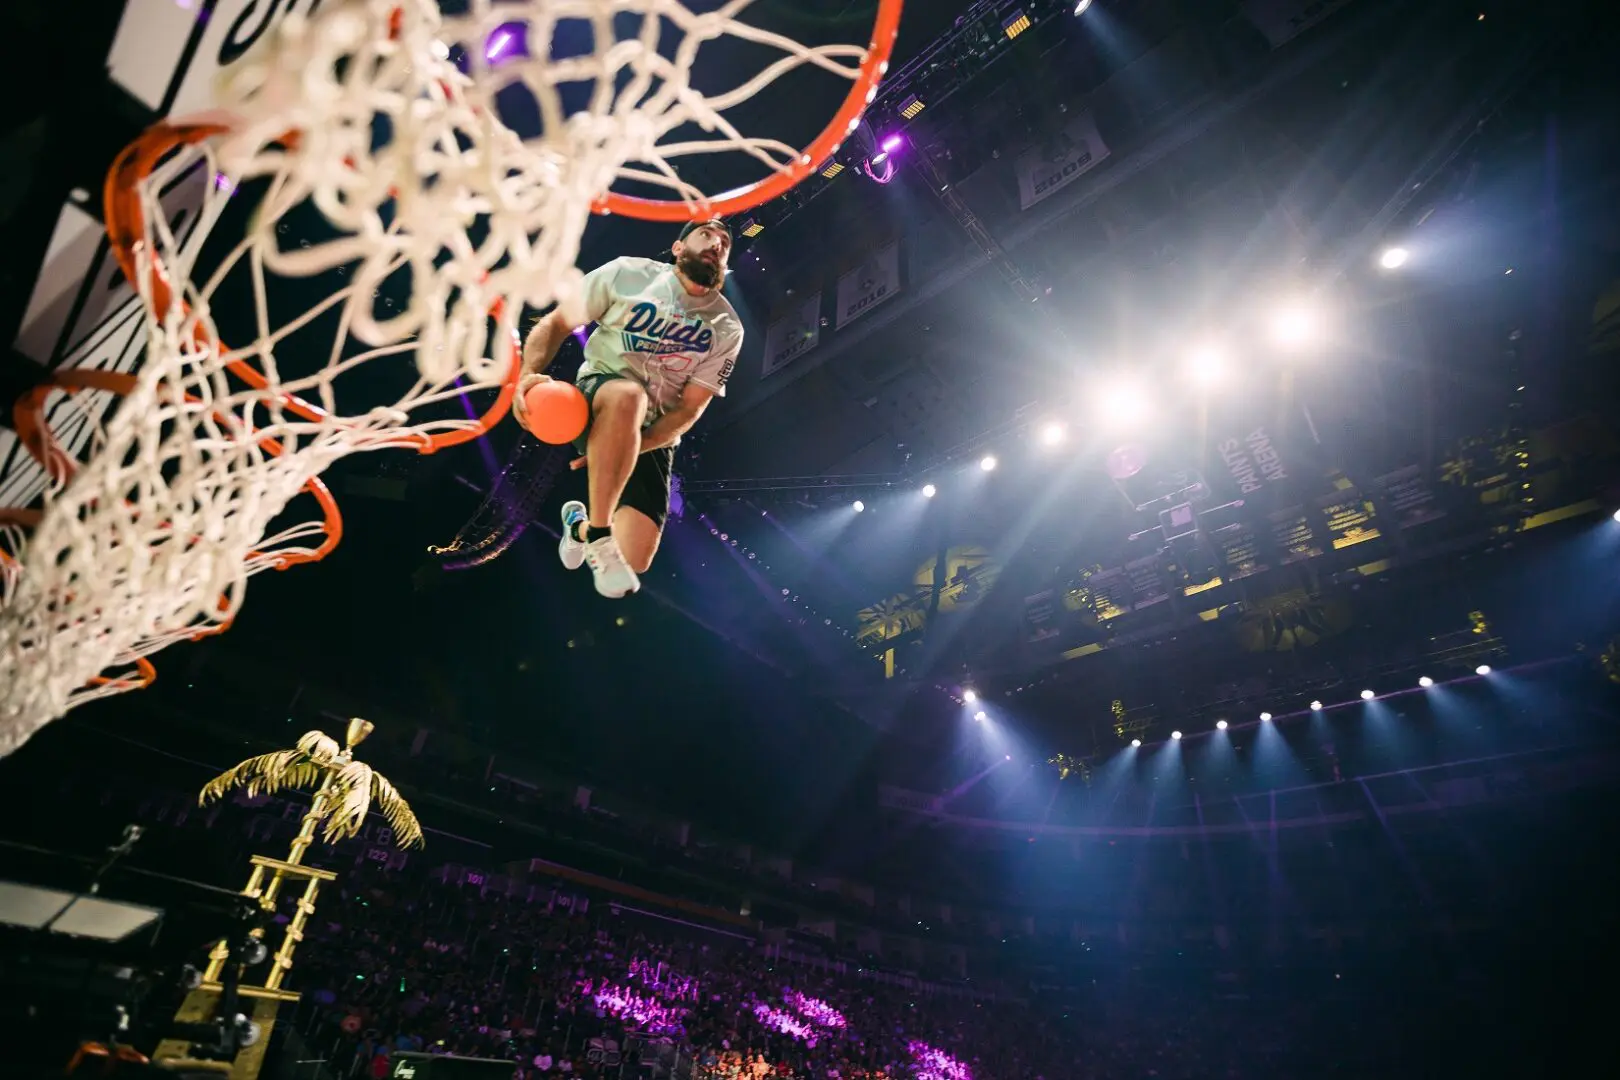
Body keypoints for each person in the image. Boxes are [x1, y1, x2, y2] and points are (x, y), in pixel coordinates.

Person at [514, 220, 742, 598]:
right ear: (677, 248)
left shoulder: (727, 327)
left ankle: (581, 528)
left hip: (654, 432)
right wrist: (528, 375)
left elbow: (689, 410)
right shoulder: (627, 273)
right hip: (596, 398)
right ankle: (600, 536)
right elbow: (557, 322)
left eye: (724, 242)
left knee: (635, 558)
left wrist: (638, 444)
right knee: (627, 396)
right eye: (705, 235)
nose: (716, 243)